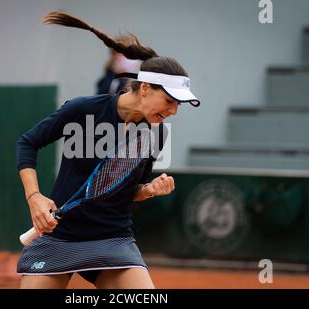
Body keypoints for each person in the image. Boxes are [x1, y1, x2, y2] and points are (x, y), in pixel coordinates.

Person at [16, 11, 200, 289]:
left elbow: (124, 188)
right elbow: (27, 143)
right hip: (59, 236)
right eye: (169, 101)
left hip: (112, 239)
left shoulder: (157, 133)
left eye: (179, 105)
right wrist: (35, 198)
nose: (173, 111)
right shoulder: (83, 109)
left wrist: (147, 191)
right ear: (146, 88)